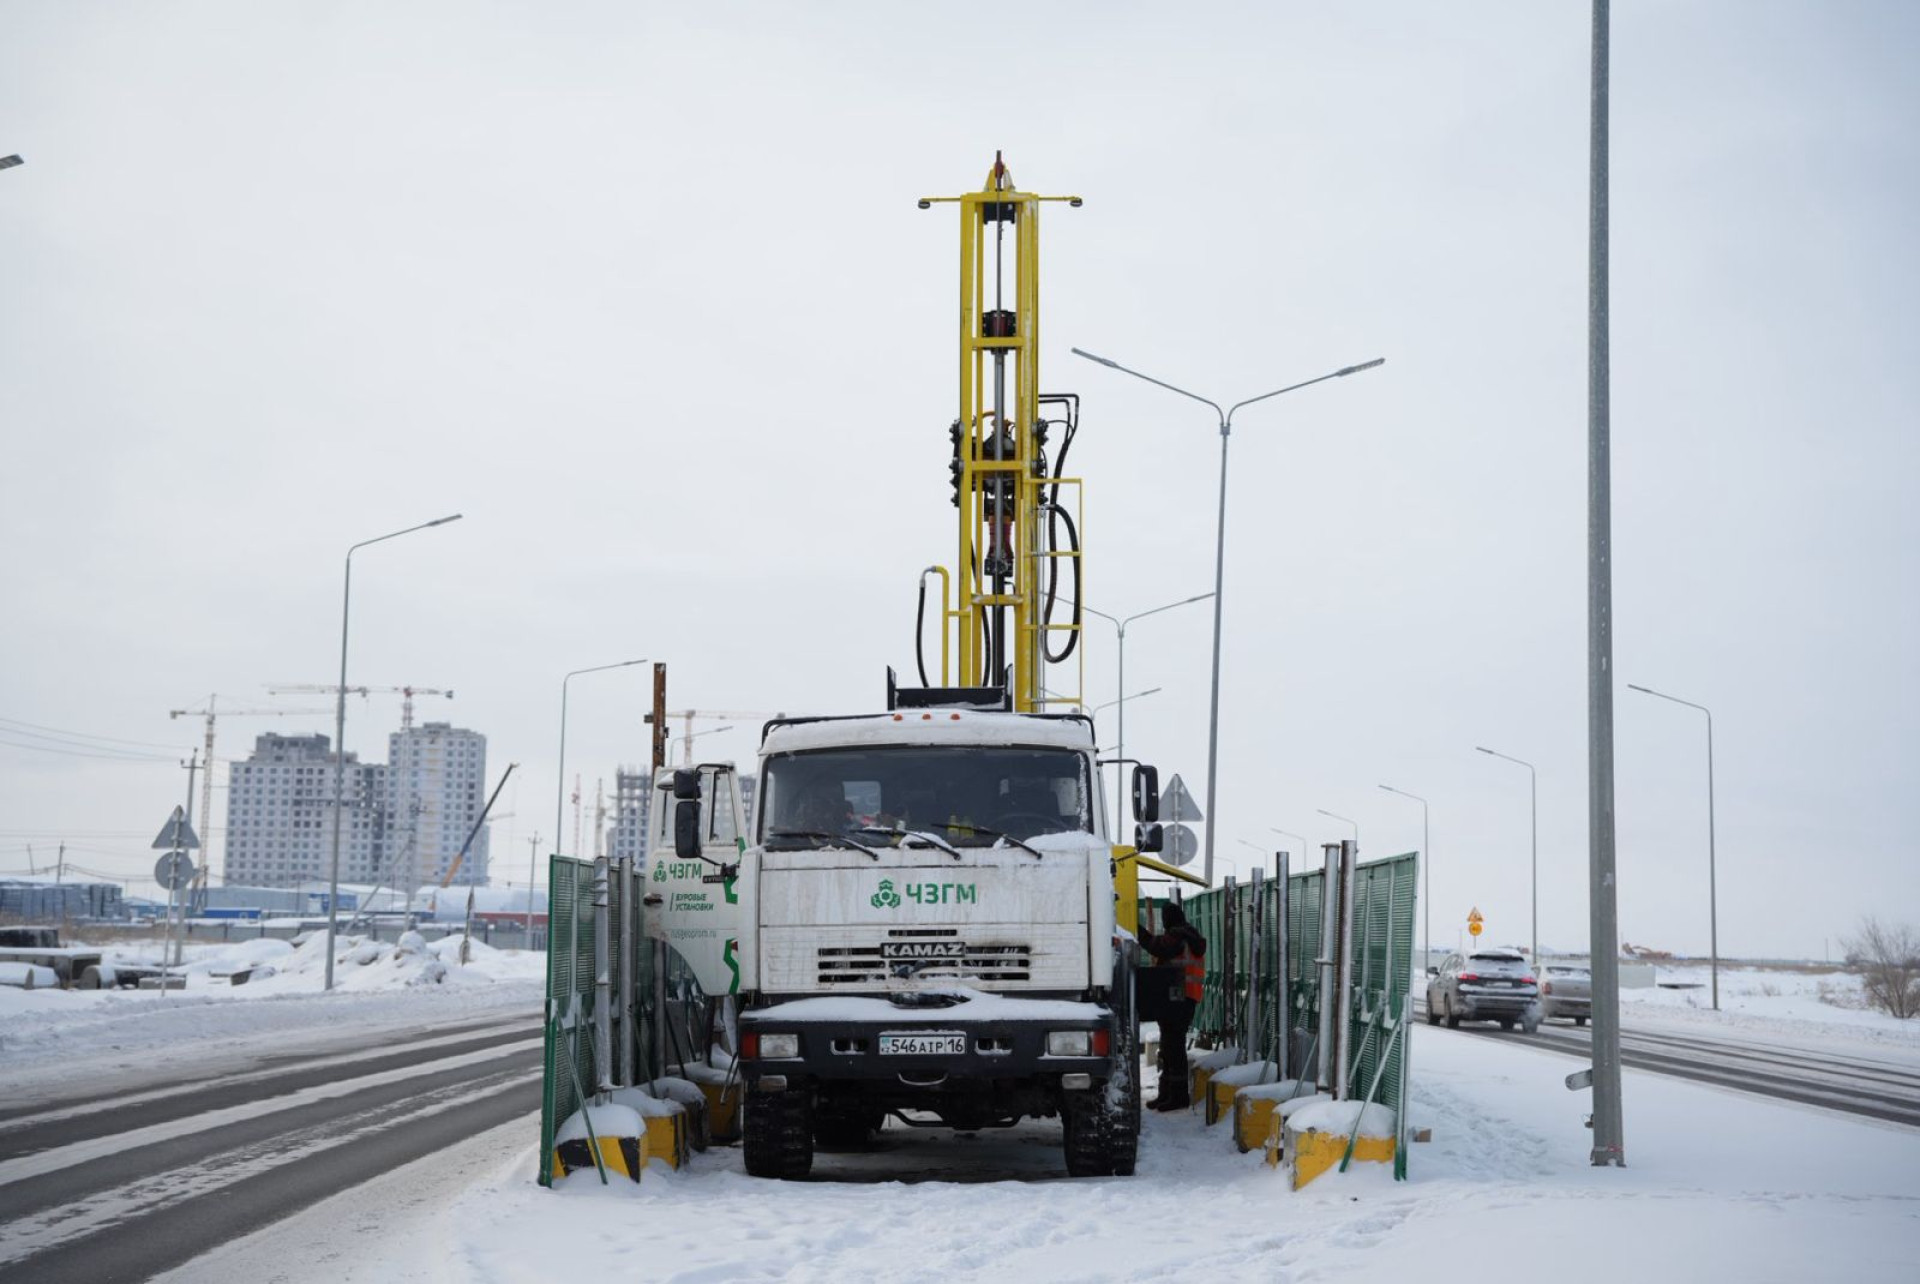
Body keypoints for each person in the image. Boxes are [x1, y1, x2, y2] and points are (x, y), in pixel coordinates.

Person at [1142, 900, 1207, 1111]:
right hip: (1184, 997)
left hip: (1180, 997)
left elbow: (1157, 947)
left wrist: (1138, 932)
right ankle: (1167, 1093)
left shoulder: (1179, 936)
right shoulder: (1189, 936)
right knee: (1170, 1045)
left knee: (1174, 1047)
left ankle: (1178, 1096)